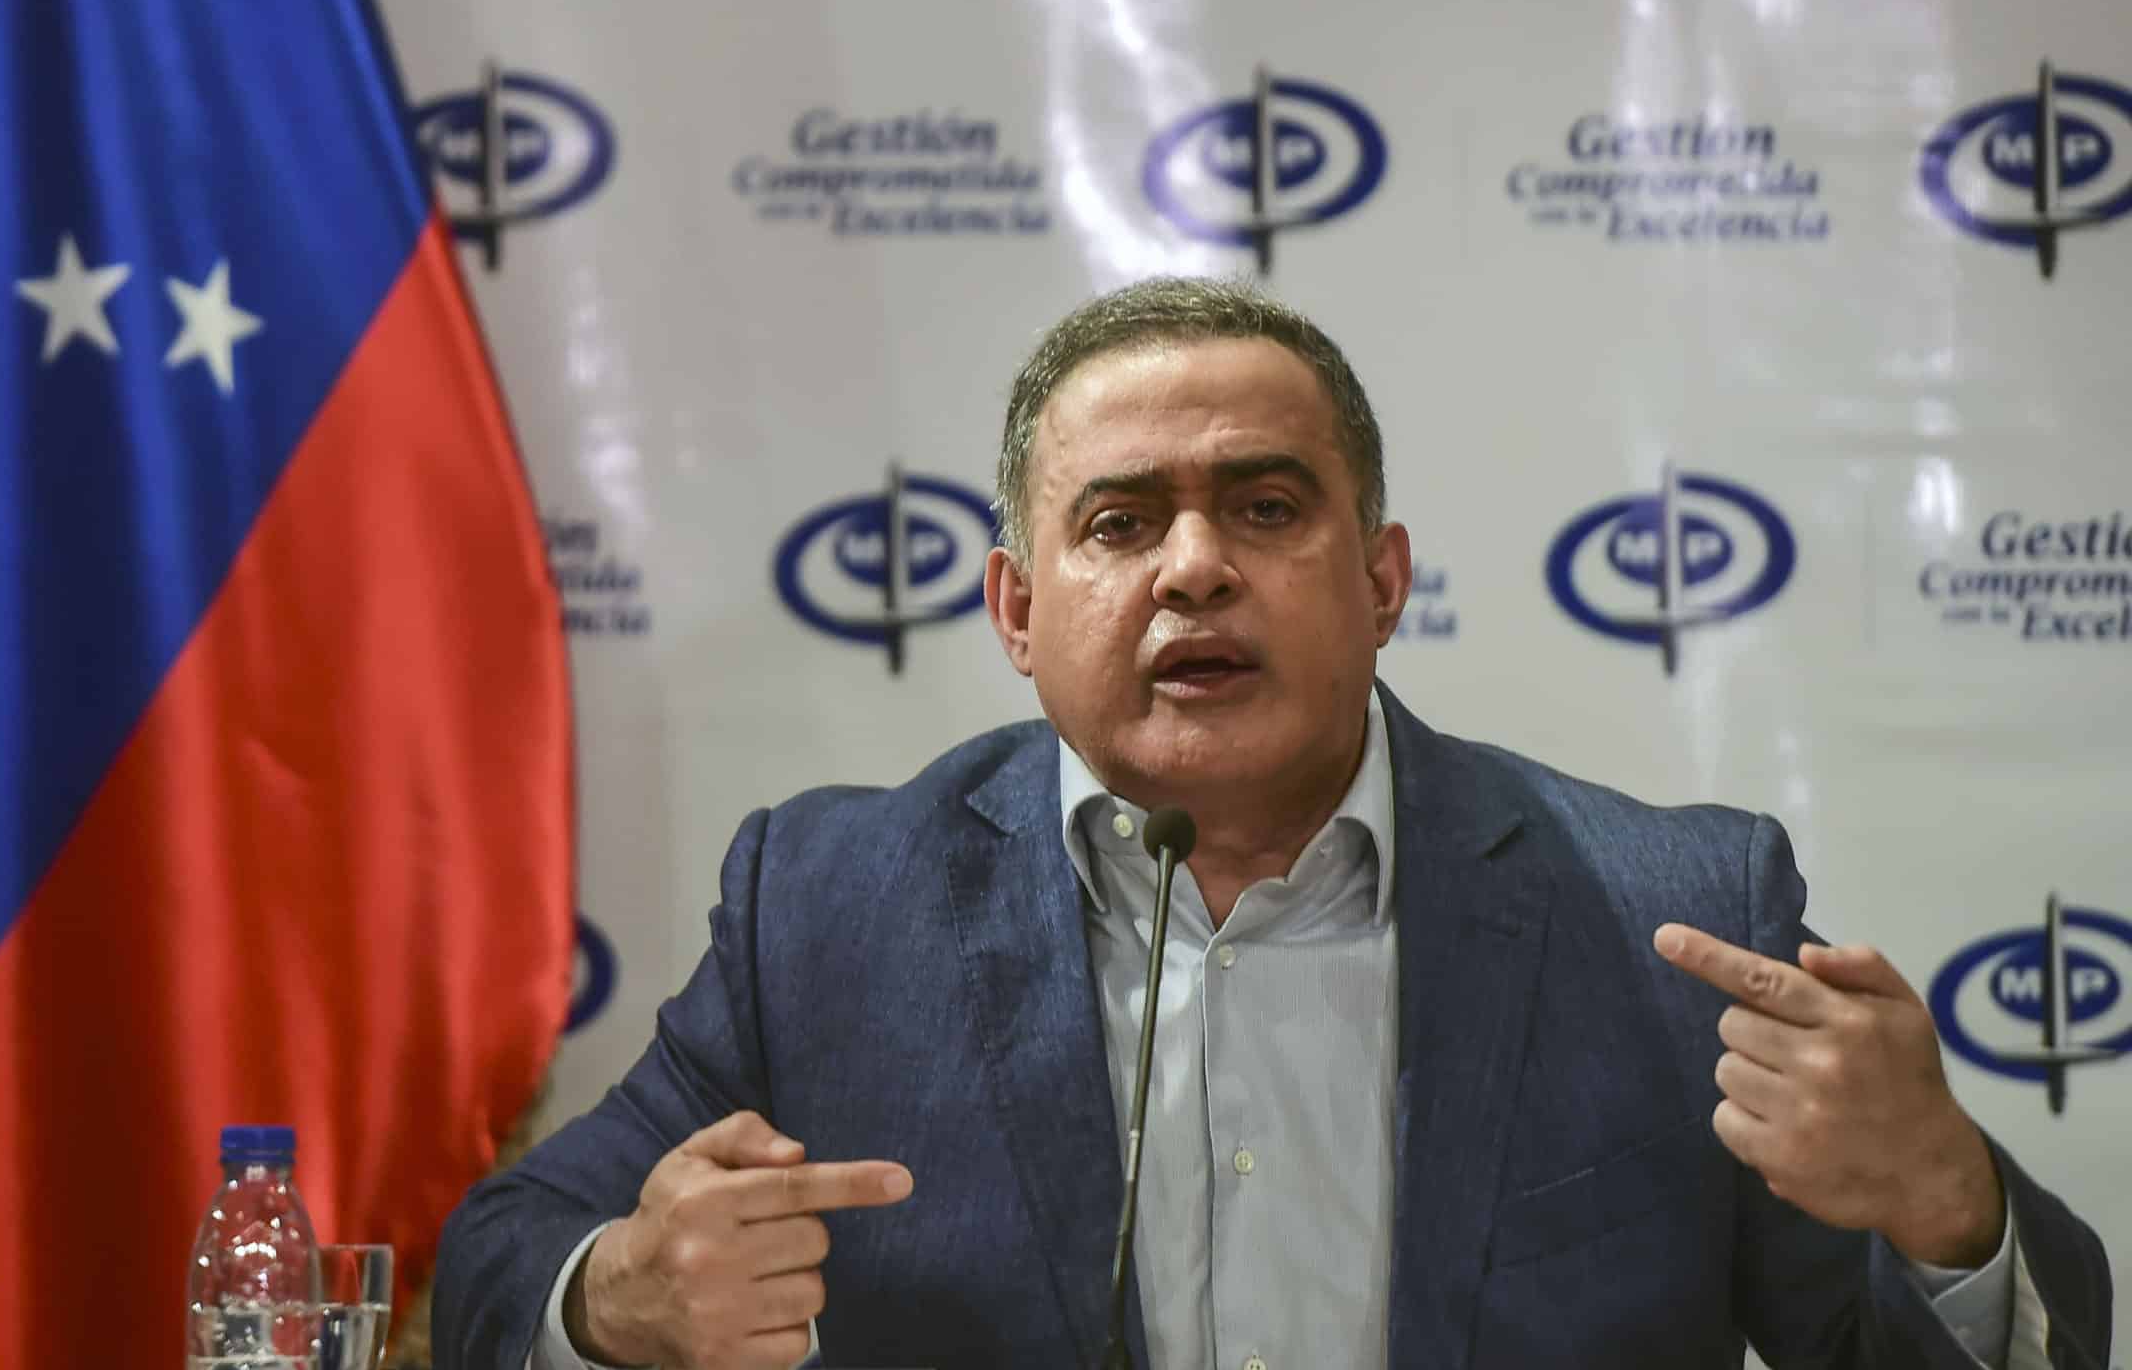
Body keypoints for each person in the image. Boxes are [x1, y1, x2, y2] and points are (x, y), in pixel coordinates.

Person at [432, 277, 2113, 1370]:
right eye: (1120, 521)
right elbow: (505, 1252)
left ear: (1381, 582)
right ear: (1020, 610)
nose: (1193, 566)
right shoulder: (826, 905)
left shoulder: (1668, 909)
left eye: (1264, 505)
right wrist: (620, 1301)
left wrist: (1947, 1207)